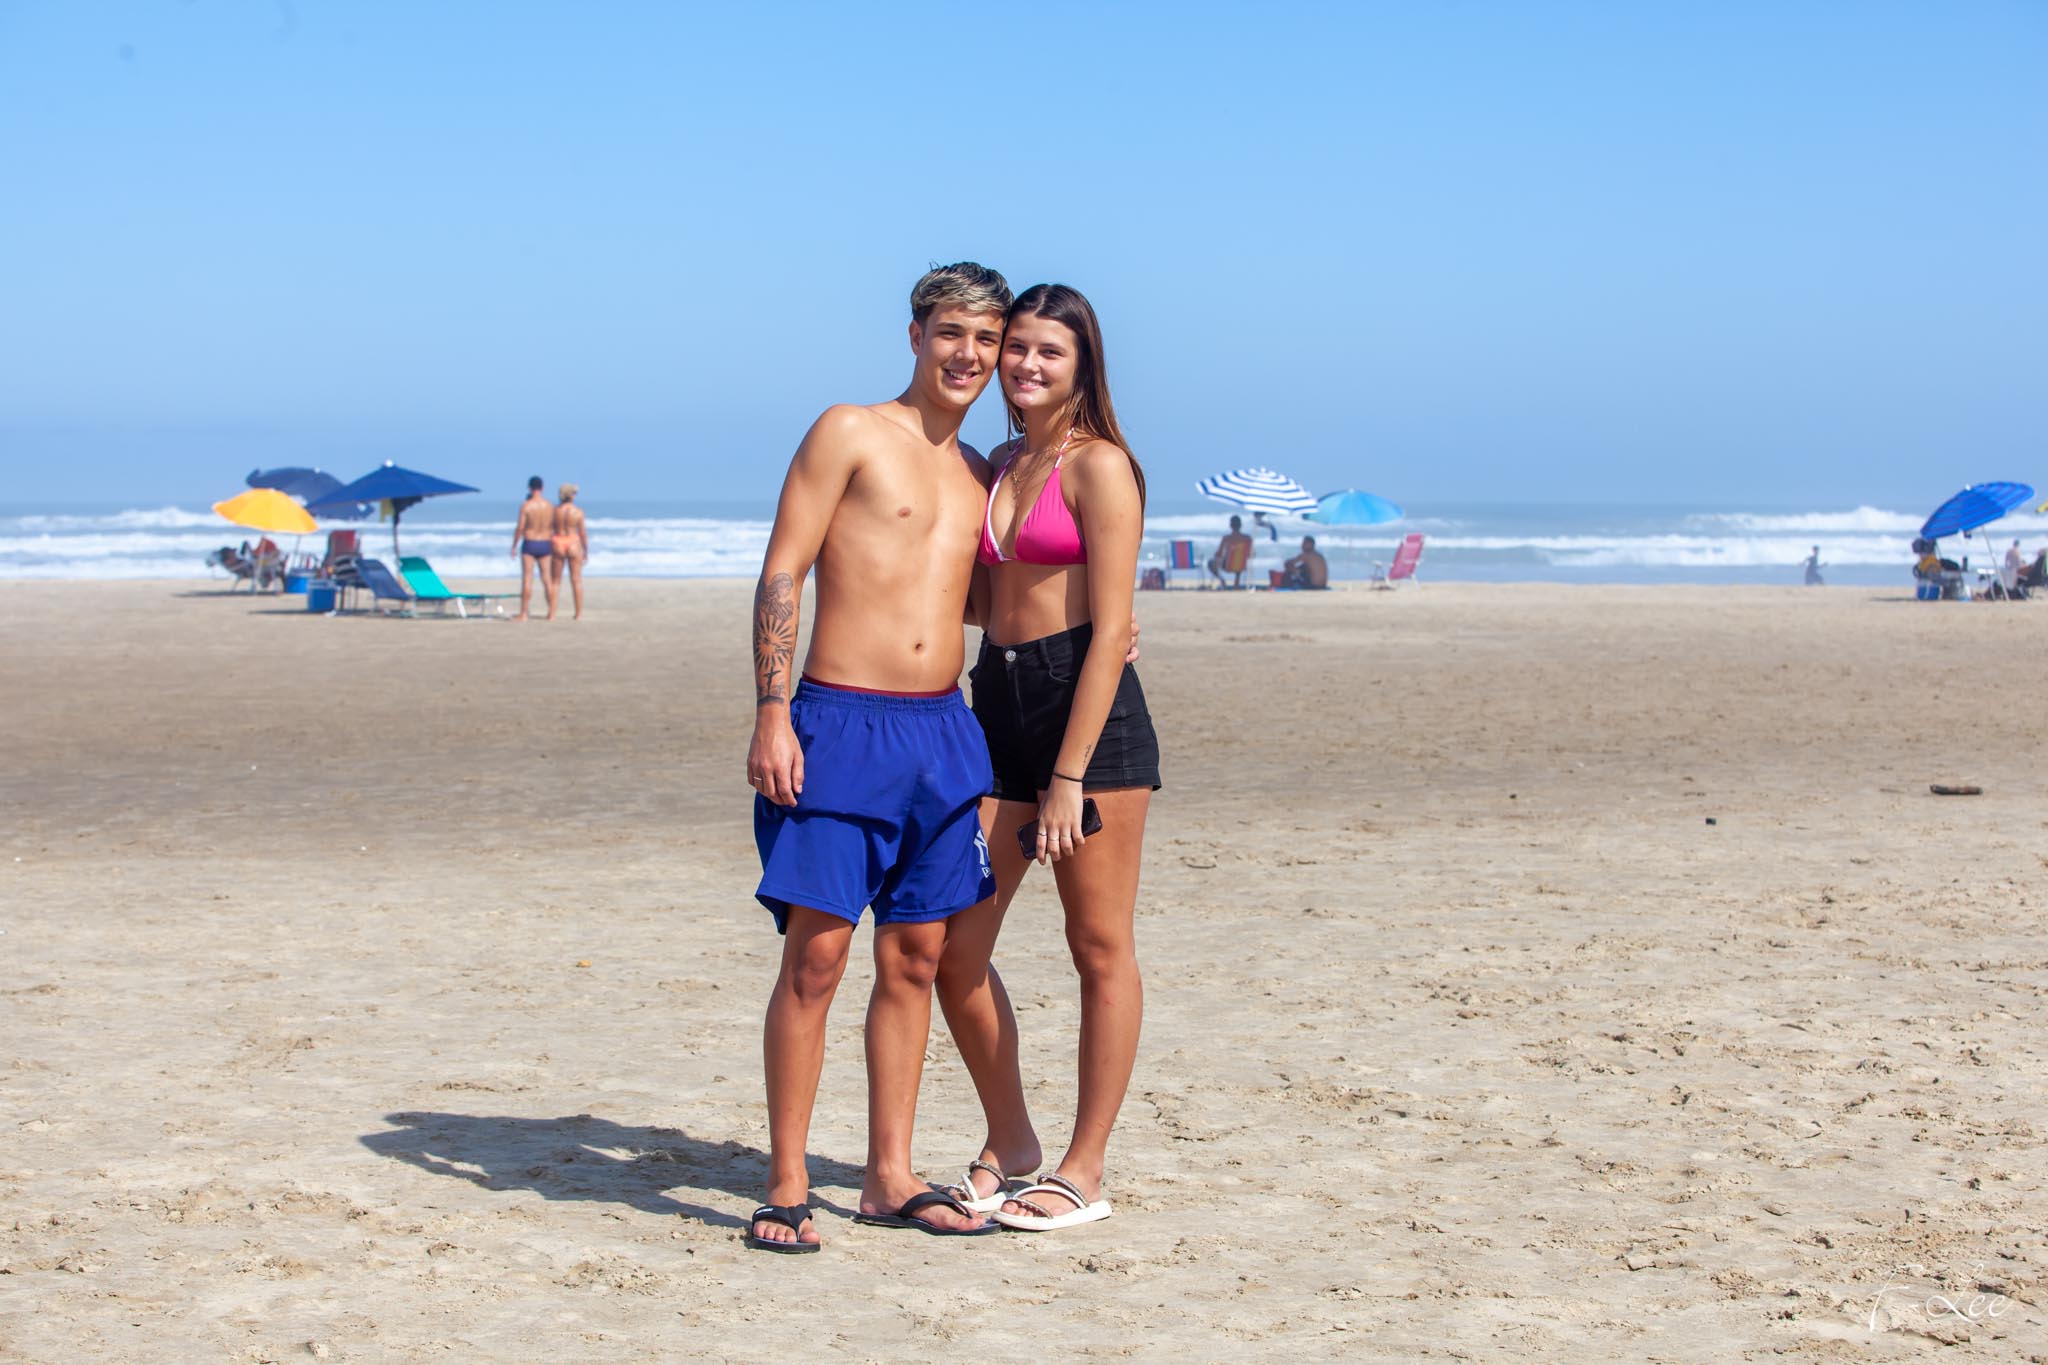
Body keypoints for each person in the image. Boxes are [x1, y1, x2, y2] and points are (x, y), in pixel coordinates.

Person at [741, 263, 1015, 1252]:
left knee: (917, 958)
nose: (967, 355)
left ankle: (887, 1175)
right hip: (840, 721)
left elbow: (983, 601)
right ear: (915, 336)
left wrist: (1101, 619)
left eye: (985, 340)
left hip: (943, 731)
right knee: (815, 958)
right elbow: (783, 569)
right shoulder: (848, 431)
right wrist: (773, 710)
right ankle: (786, 1181)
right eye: (951, 333)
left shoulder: (982, 471)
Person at [936, 283, 1160, 1234]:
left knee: (1097, 944)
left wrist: (1068, 777)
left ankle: (1085, 1165)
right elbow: (985, 601)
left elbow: (1111, 630)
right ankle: (1013, 1136)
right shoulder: (1001, 462)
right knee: (951, 948)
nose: (1025, 364)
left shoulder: (1099, 466)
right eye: (1016, 347)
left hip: (1087, 716)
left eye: (1048, 352)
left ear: (1082, 365)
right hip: (997, 698)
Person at [511, 476, 558, 621]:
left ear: (529, 488)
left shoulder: (527, 505)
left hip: (530, 542)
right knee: (547, 579)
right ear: (542, 488)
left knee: (527, 578)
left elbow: (520, 527)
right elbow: (554, 526)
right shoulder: (549, 505)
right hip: (545, 542)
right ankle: (551, 613)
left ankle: (524, 613)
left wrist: (514, 545)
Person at [549, 484, 589, 620]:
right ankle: (578, 613)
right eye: (574, 493)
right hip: (573, 542)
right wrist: (586, 550)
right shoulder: (578, 512)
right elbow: (582, 533)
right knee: (576, 580)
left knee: (555, 581)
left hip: (558, 541)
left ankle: (552, 614)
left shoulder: (555, 511)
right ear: (570, 495)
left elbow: (550, 530)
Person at [1207, 514, 1253, 588]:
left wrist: (1218, 556)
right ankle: (1236, 582)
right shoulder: (1247, 539)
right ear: (1241, 525)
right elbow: (1250, 554)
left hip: (1228, 566)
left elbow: (1218, 554)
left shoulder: (1226, 538)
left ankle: (1222, 580)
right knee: (1239, 559)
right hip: (1242, 565)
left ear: (1231, 526)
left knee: (1210, 562)